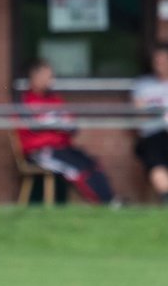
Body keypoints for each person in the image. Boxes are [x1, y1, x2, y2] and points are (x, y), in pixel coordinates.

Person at [15, 59, 116, 205]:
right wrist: (55, 125)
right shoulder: (25, 102)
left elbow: (72, 125)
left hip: (63, 148)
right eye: (48, 76)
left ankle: (111, 200)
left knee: (91, 163)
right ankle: (103, 204)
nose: (52, 81)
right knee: (76, 170)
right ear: (35, 77)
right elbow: (34, 128)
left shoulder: (55, 100)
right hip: (40, 152)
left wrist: (55, 125)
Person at [131, 44, 168, 204]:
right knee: (155, 157)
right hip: (152, 134)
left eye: (164, 60)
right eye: (157, 60)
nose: (160, 63)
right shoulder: (143, 85)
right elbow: (140, 113)